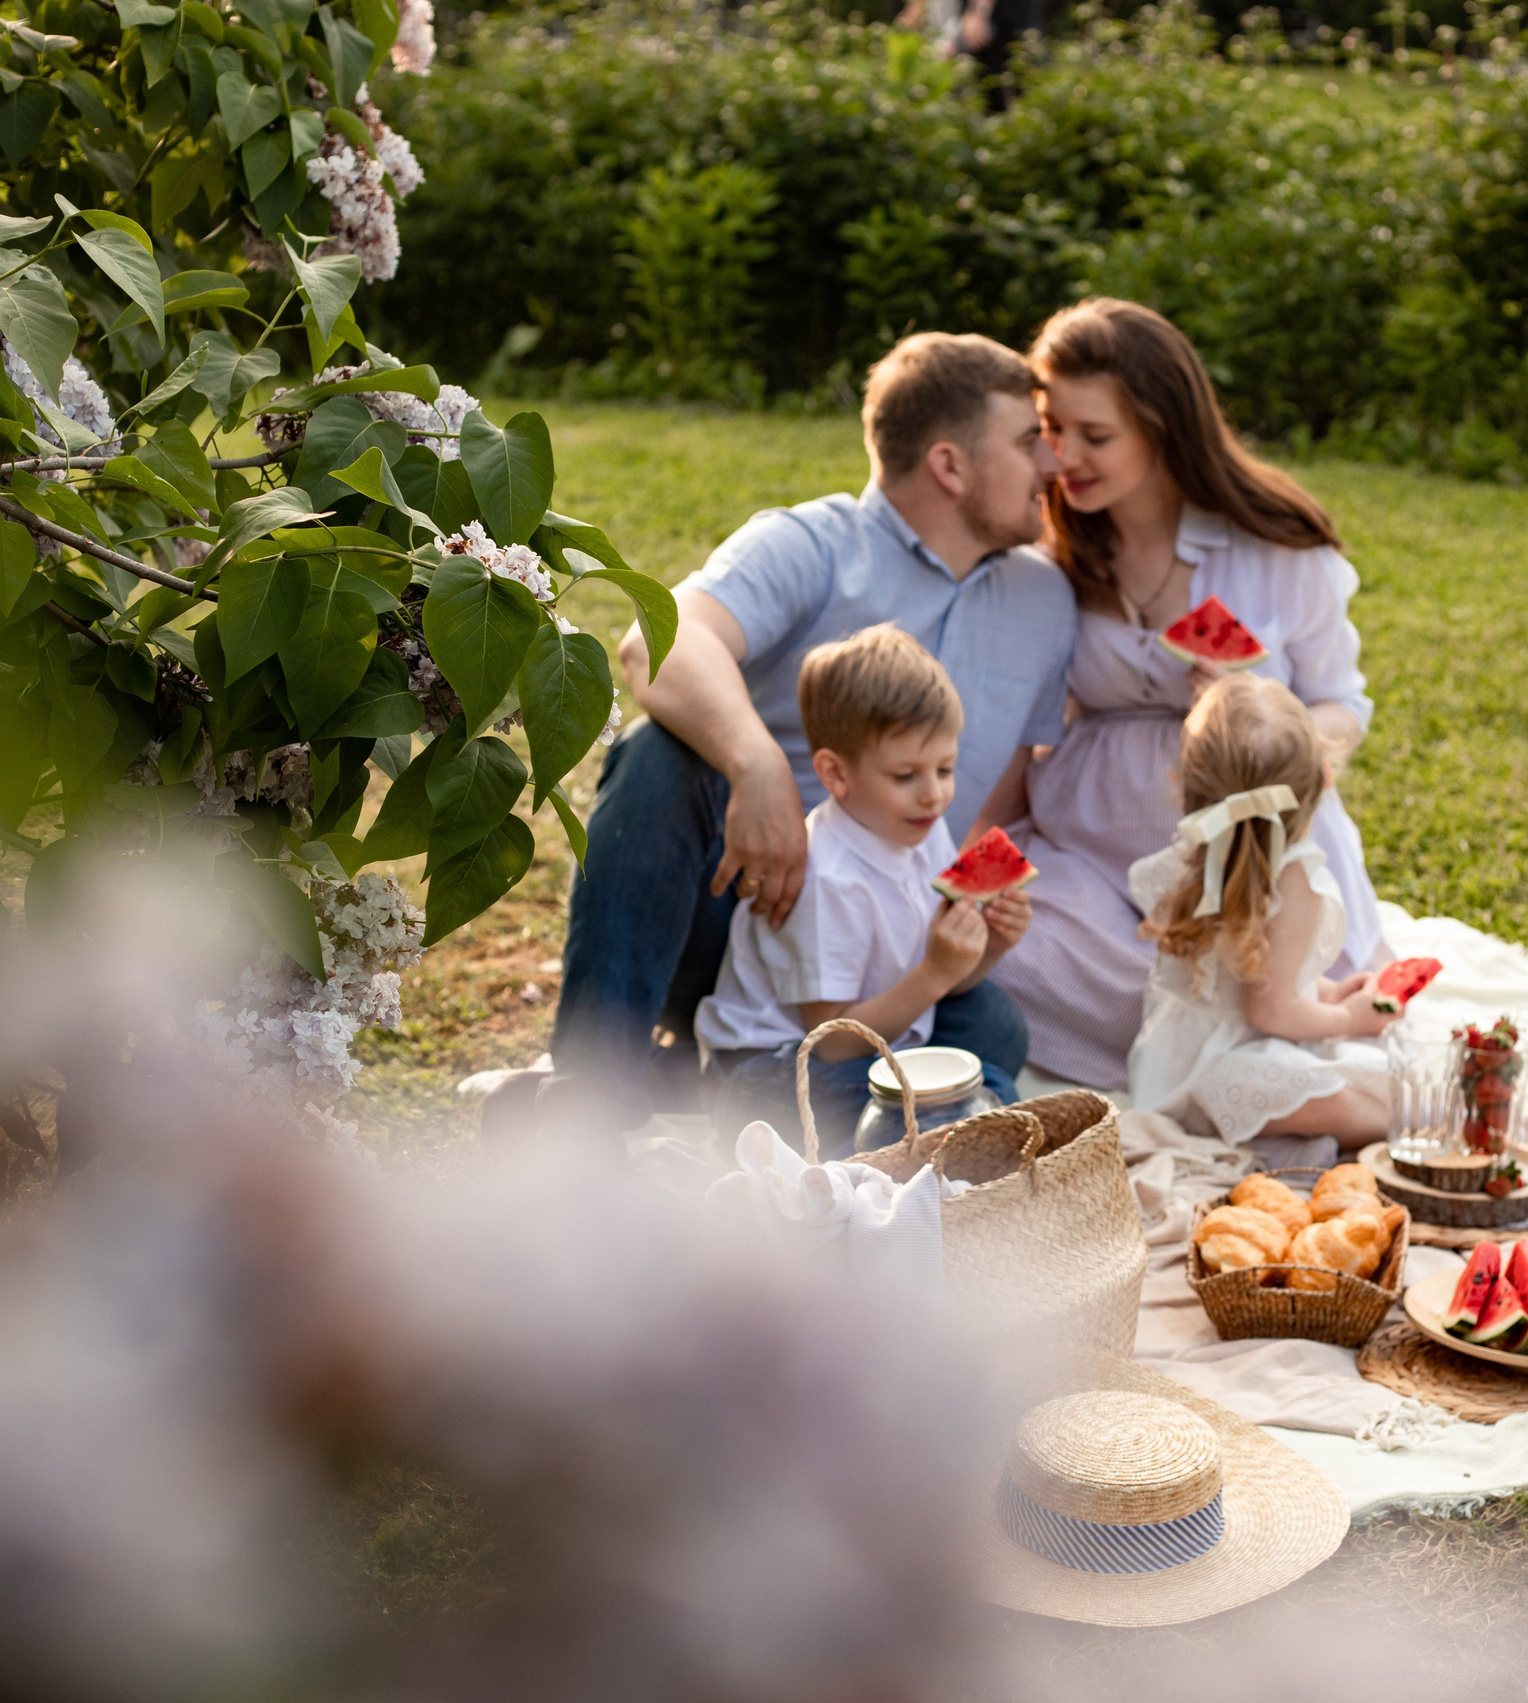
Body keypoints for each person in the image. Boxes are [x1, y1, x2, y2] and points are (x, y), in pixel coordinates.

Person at [495, 332, 1073, 1139]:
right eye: (1026, 441)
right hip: (739, 914)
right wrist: (756, 763)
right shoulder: (811, 543)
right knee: (658, 758)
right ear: (950, 465)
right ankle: (596, 1099)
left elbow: (999, 791)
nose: (1051, 463)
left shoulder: (1047, 601)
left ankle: (866, 1127)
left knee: (994, 1024)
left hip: (884, 941)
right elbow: (655, 645)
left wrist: (972, 916)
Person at [984, 298, 1383, 1090]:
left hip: (1247, 855)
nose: (1065, 457)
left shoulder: (1276, 548)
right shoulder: (1046, 547)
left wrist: (1265, 709)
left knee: (1251, 996)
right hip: (1091, 851)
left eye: (1096, 436)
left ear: (1163, 428)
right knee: (1007, 943)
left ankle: (1250, 1043)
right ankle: (1217, 1056)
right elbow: (1021, 714)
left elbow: (1347, 709)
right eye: (1051, 430)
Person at [697, 626, 1032, 1151]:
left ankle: (949, 1124)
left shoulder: (921, 828)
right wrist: (937, 972)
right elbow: (831, 1044)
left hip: (887, 1031)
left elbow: (945, 980)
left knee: (998, 1023)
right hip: (779, 1069)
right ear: (835, 774)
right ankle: (957, 1130)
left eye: (945, 769)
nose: (934, 795)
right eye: (905, 775)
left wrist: (988, 947)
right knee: (965, 1092)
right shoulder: (828, 877)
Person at [1127, 674, 1394, 1148]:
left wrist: (1328, 994)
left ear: (1186, 783)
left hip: (1170, 1065)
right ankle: (1404, 1128)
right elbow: (1269, 1008)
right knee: (1364, 1097)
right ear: (1324, 781)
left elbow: (1253, 973)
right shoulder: (1296, 879)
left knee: (1367, 1074)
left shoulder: (1197, 851)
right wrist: (1348, 1019)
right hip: (1224, 1073)